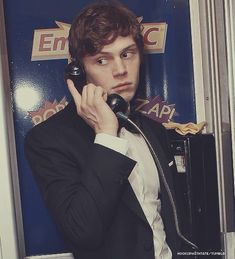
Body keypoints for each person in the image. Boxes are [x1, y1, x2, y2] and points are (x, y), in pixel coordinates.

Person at [25, 1, 192, 258]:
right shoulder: (48, 139)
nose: (121, 70)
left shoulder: (151, 130)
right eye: (102, 60)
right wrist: (106, 136)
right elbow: (83, 232)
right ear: (78, 70)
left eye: (127, 54)